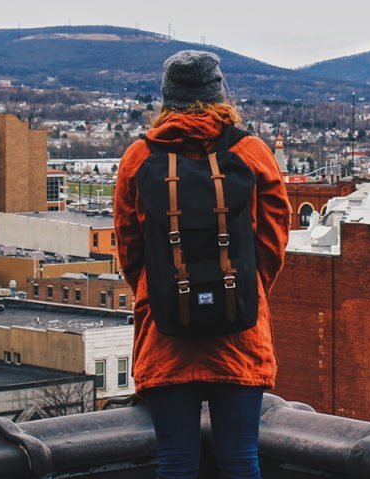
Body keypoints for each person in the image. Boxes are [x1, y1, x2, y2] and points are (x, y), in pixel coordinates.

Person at [113, 50, 291, 479]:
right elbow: (274, 239)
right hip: (240, 331)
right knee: (240, 459)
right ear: (218, 92)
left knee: (175, 461)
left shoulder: (138, 157)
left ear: (167, 97)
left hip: (166, 334)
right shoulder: (252, 151)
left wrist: (160, 291)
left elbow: (129, 250)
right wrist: (245, 288)